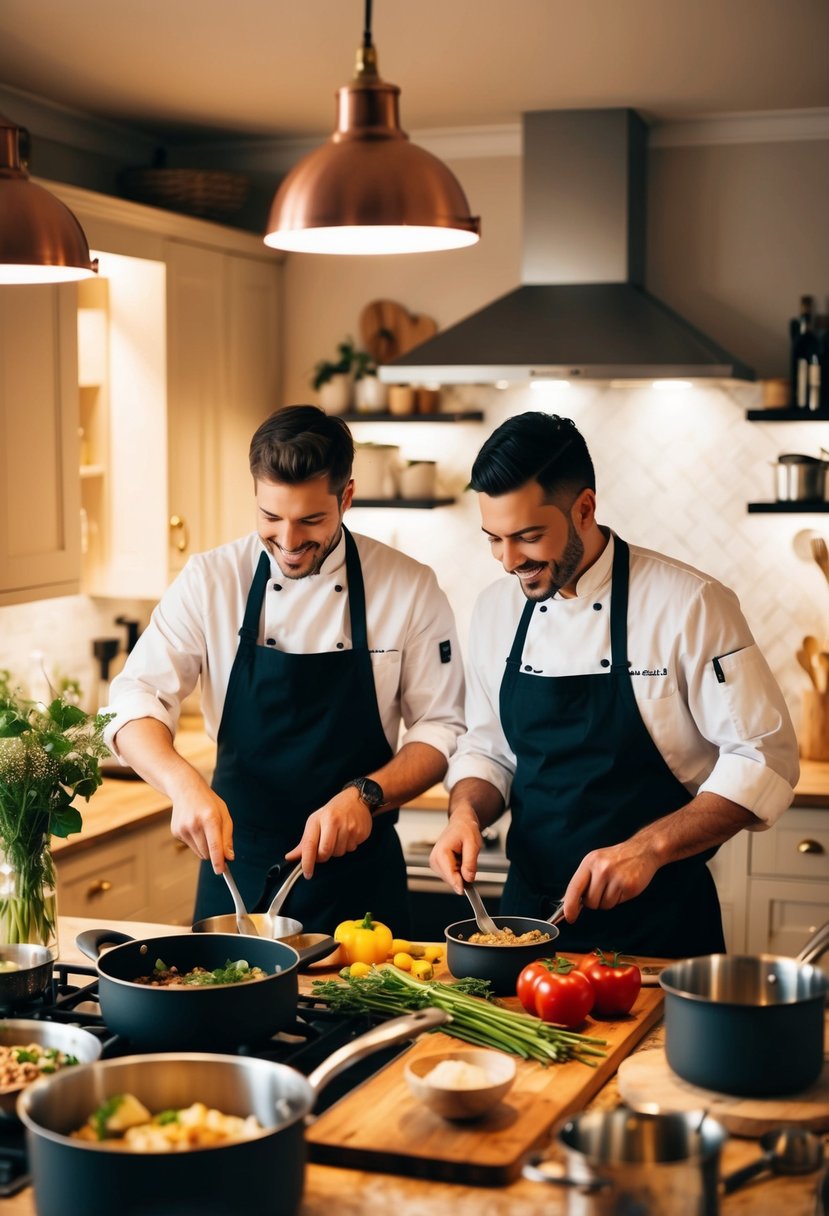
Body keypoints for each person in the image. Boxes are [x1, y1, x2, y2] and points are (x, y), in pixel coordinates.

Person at [429, 411, 799, 957]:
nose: (509, 562)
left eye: (528, 537)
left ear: (584, 508)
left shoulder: (689, 604)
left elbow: (764, 758)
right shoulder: (494, 611)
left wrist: (648, 847)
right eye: (494, 539)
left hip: (661, 931)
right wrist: (465, 812)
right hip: (525, 927)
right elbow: (490, 751)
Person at [104, 405, 465, 935]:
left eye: (311, 520)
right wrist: (182, 784)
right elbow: (133, 698)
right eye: (271, 518)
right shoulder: (212, 580)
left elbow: (442, 728)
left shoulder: (407, 586)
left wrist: (366, 795)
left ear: (346, 498)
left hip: (361, 886)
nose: (289, 540)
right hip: (237, 873)